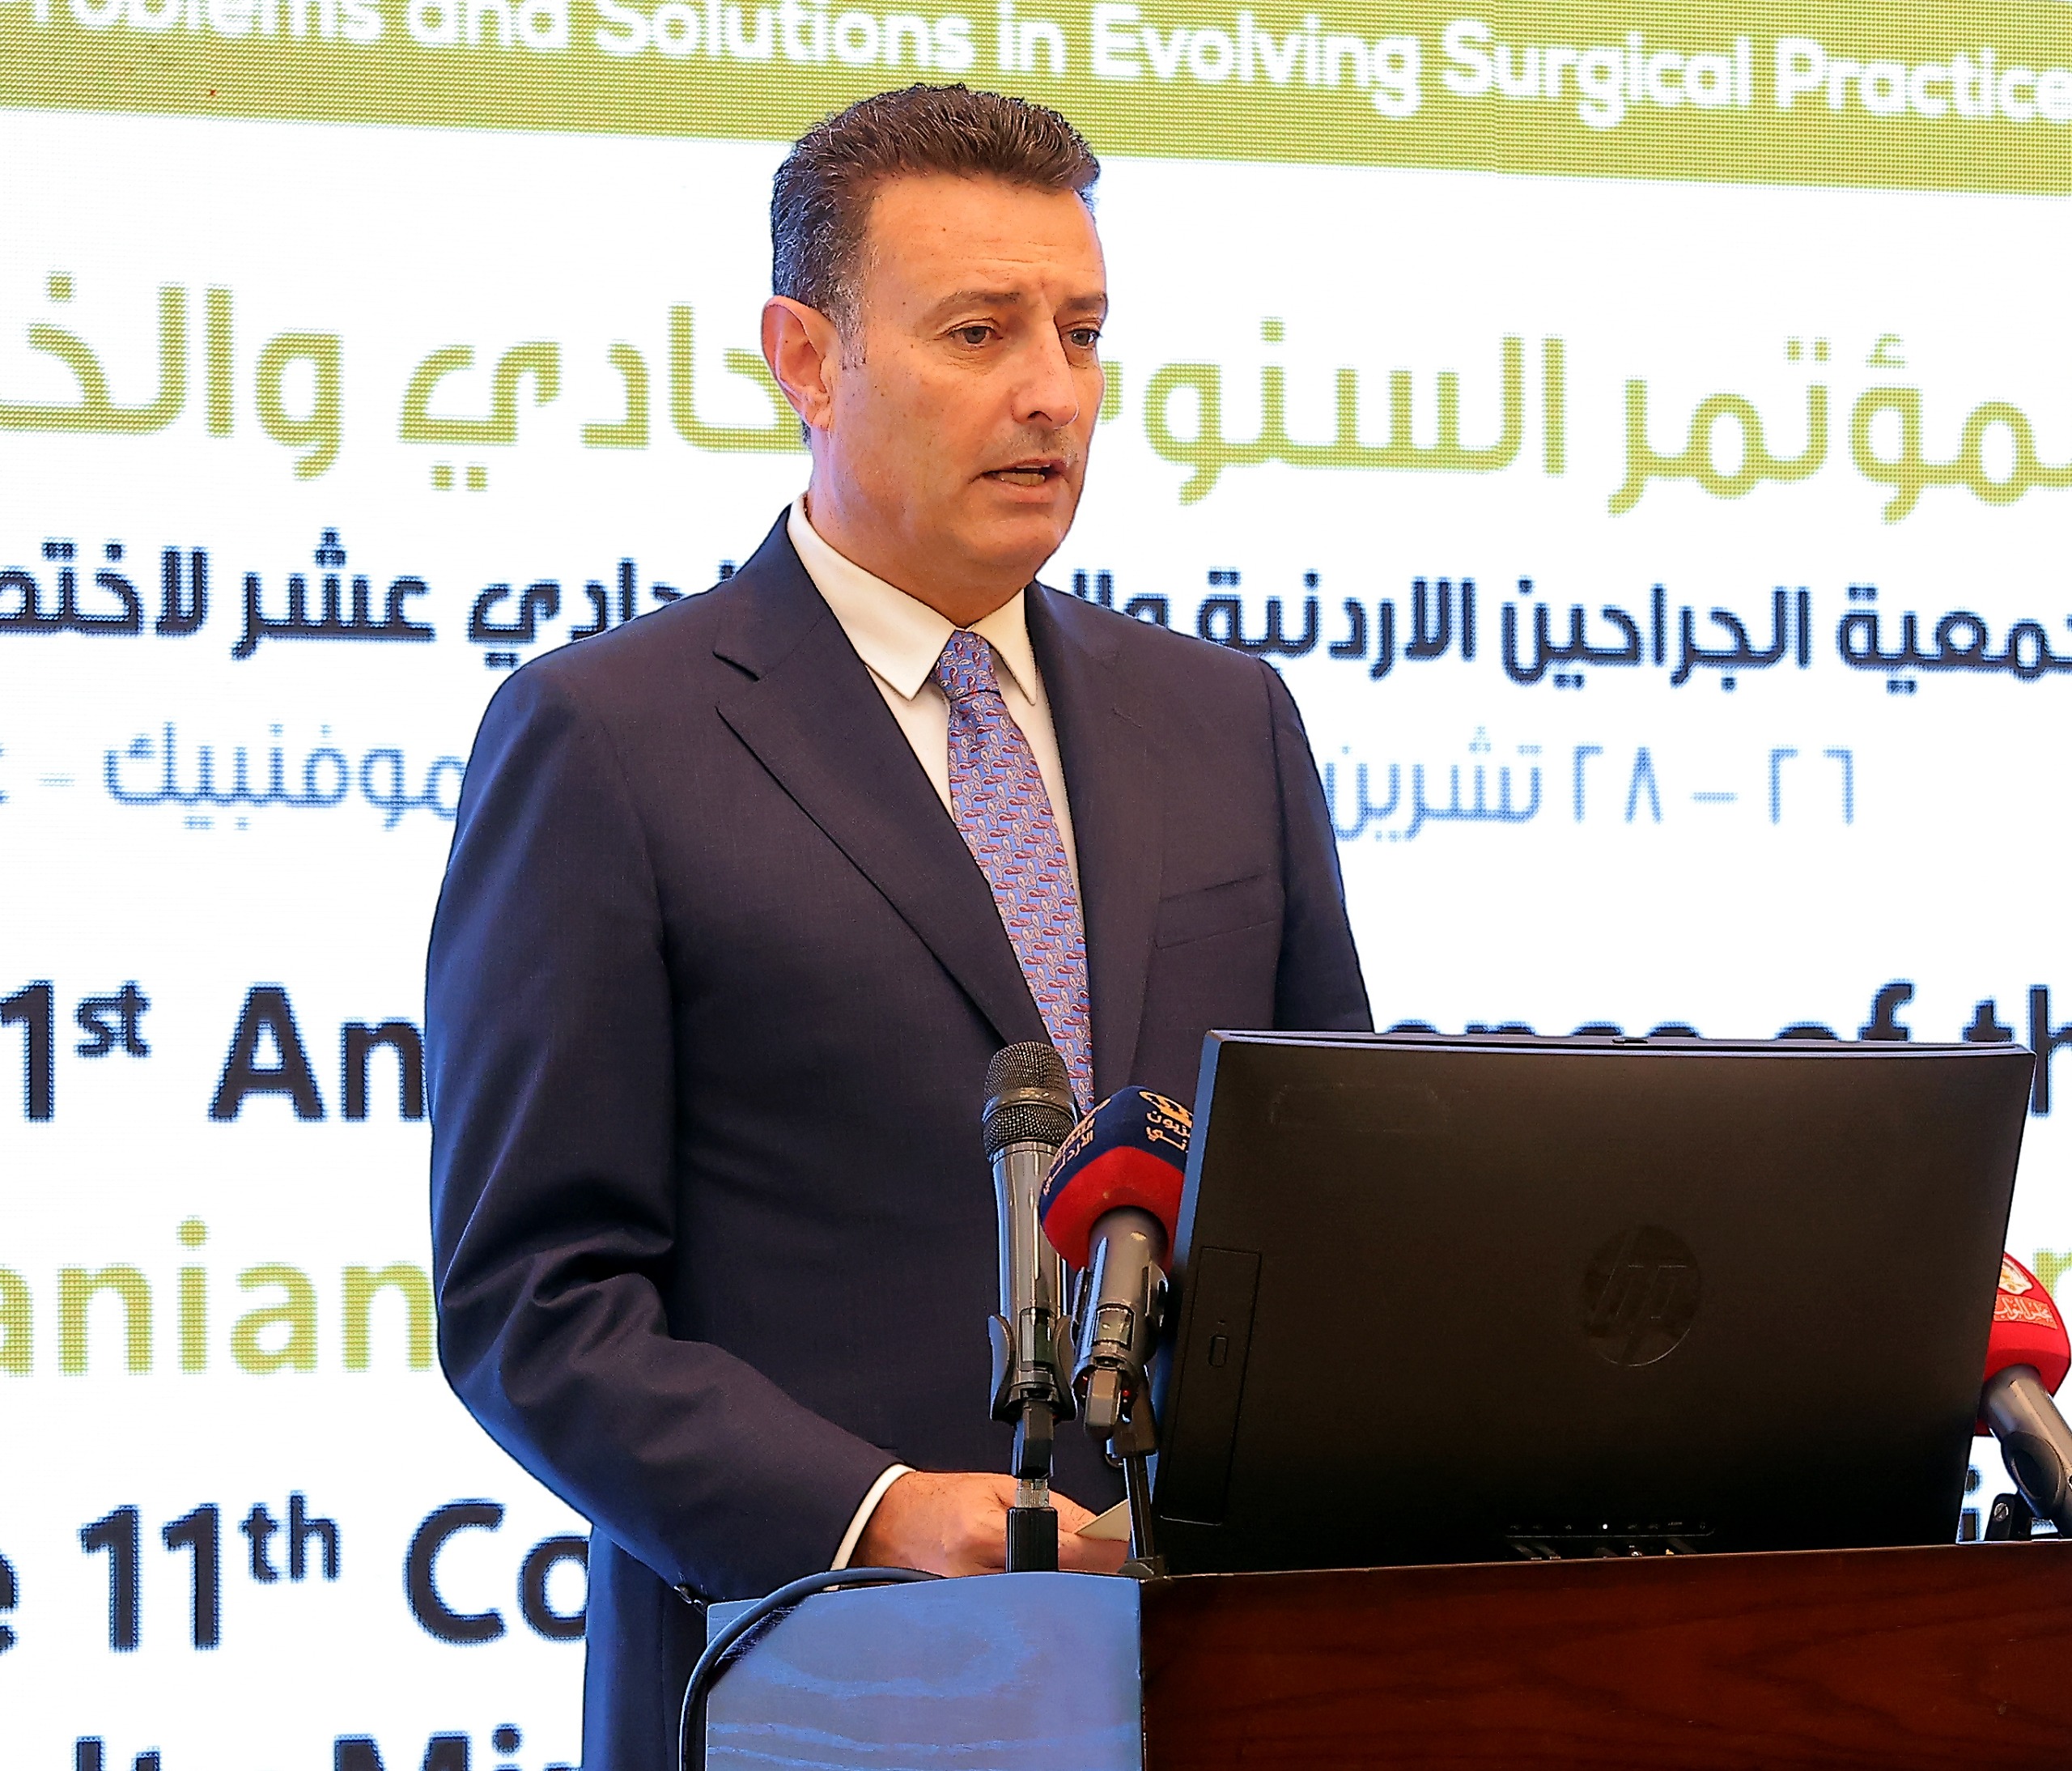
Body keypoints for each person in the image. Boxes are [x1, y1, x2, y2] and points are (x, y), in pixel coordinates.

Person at [426, 83, 1370, 1771]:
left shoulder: (1225, 721)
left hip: (1217, 1684)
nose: (1050, 390)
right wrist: (870, 1509)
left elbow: (1332, 1202)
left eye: (1082, 332)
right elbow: (537, 1304)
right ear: (806, 357)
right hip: (815, 1684)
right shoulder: (609, 738)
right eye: (978, 331)